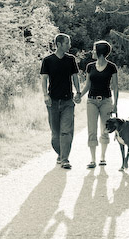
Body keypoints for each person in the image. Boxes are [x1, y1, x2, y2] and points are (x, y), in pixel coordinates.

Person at [40, 33, 81, 169]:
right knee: (55, 135)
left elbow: (75, 77)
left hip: (67, 101)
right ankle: (61, 153)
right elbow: (44, 79)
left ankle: (65, 159)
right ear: (59, 44)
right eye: (67, 43)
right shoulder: (48, 60)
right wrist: (45, 95)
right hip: (52, 102)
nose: (69, 45)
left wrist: (78, 92)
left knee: (66, 131)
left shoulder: (71, 60)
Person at [80, 40, 118, 168]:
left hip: (106, 101)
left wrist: (116, 104)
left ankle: (102, 157)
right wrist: (79, 95)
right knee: (92, 130)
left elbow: (115, 87)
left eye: (94, 49)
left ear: (100, 52)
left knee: (105, 129)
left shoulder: (112, 67)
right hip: (91, 101)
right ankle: (92, 159)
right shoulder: (90, 66)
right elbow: (87, 85)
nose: (92, 51)